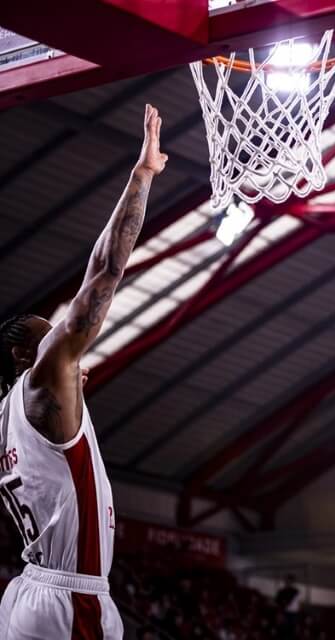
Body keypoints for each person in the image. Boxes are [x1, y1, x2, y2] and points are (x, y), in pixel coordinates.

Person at [0, 104, 168, 639]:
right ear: (24, 357)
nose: (59, 340)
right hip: (68, 597)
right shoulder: (43, 378)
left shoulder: (6, 417)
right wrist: (141, 175)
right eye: (45, 334)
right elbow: (105, 271)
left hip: (29, 590)